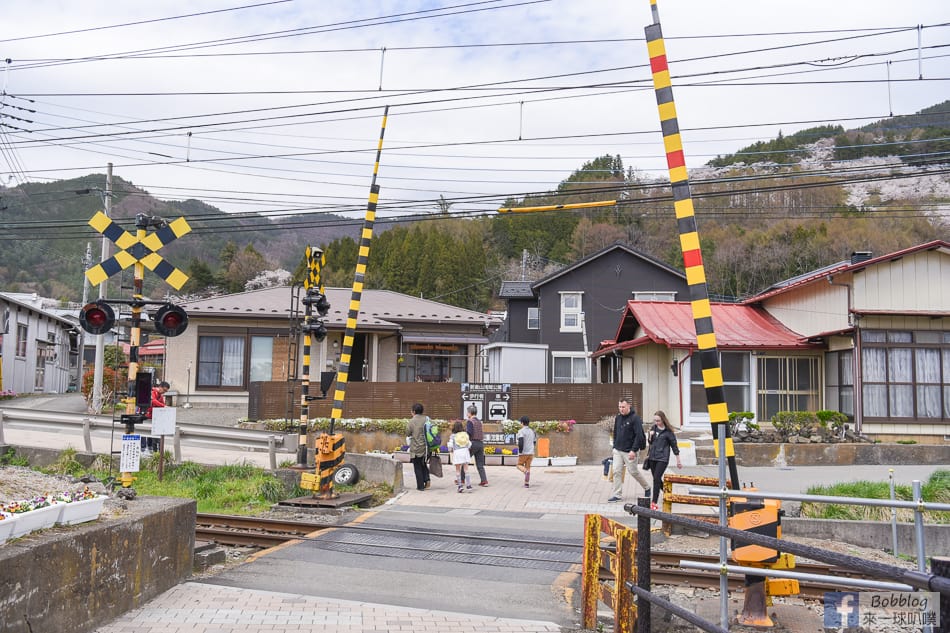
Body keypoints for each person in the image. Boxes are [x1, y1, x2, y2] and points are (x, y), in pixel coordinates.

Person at [608, 398, 651, 502]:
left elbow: (639, 436)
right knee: (616, 471)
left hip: (630, 451)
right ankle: (617, 495)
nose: (621, 409)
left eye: (623, 407)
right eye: (619, 407)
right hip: (618, 450)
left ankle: (647, 487)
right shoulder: (618, 418)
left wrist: (633, 450)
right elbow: (615, 432)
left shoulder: (635, 418)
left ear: (629, 406)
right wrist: (614, 446)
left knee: (633, 471)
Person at [645, 410, 682, 510]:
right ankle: (668, 493)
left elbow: (674, 446)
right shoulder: (654, 428)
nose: (656, 423)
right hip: (653, 457)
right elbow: (650, 442)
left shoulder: (668, 432)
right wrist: (650, 436)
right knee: (656, 479)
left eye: (658, 421)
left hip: (662, 458)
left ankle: (654, 502)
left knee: (656, 478)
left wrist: (678, 460)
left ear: (663, 420)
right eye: (655, 421)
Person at [407, 403, 430, 491]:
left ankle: (420, 486)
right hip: (427, 447)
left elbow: (408, 433)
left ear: (414, 411)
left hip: (416, 447)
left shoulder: (412, 421)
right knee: (423, 464)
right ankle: (427, 479)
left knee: (417, 467)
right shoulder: (427, 419)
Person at [142, 381, 169, 453]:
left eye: (166, 391)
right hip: (147, 415)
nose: (164, 392)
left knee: (152, 433)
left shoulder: (161, 396)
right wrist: (164, 406)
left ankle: (151, 449)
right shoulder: (152, 392)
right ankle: (143, 449)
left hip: (155, 417)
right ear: (160, 387)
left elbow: (162, 405)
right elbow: (153, 401)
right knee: (145, 432)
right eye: (164, 390)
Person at [465, 405, 488, 486]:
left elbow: (469, 433)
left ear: (470, 413)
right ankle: (484, 480)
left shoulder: (470, 421)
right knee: (480, 464)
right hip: (480, 444)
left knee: (464, 461)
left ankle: (461, 479)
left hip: (473, 443)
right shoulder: (479, 421)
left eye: (467, 412)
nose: (467, 414)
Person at [447, 420, 472, 492]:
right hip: (465, 452)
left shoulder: (453, 435)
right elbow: (469, 444)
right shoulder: (465, 434)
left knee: (458, 470)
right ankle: (469, 485)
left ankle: (460, 486)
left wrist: (450, 450)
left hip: (457, 453)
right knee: (466, 469)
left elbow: (450, 445)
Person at [515, 415, 536, 488]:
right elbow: (534, 442)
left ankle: (525, 472)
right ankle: (526, 483)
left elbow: (521, 442)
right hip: (531, 452)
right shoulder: (532, 431)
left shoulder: (521, 431)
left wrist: (520, 451)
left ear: (522, 423)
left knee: (519, 465)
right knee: (528, 467)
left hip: (524, 452)